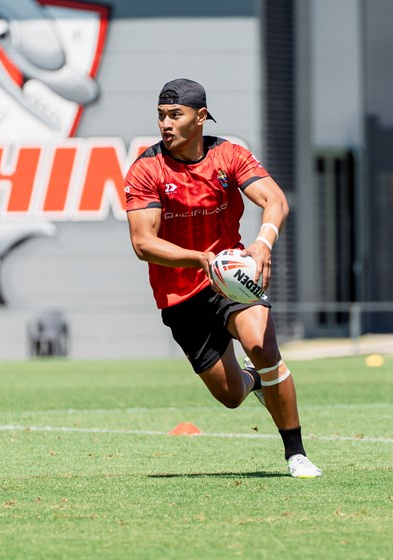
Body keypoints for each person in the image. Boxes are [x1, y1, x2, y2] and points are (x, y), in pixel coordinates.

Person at [123, 78, 321, 478]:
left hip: (231, 278)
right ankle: (255, 381)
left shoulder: (229, 155)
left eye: (175, 115)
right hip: (180, 293)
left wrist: (263, 243)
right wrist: (199, 259)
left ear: (200, 117)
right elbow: (143, 243)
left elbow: (275, 200)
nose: (166, 124)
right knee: (231, 396)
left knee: (262, 346)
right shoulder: (146, 169)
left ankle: (296, 454)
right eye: (161, 115)